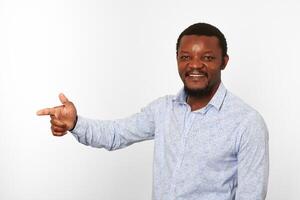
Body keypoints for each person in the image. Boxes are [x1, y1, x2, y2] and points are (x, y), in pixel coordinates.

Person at [37, 23, 269, 200]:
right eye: (186, 57)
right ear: (177, 60)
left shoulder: (247, 123)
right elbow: (116, 134)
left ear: (224, 62)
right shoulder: (163, 110)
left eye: (207, 58)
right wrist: (76, 122)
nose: (195, 65)